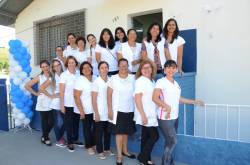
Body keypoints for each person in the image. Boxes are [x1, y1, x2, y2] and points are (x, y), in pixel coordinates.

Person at [152, 60, 204, 165]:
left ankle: (169, 161)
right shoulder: (161, 82)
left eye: (173, 67)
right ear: (164, 69)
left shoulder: (175, 83)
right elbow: (154, 98)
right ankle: (165, 163)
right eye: (168, 67)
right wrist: (167, 106)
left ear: (176, 69)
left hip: (175, 117)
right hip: (165, 117)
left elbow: (178, 99)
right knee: (173, 141)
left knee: (169, 141)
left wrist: (194, 102)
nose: (171, 70)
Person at [107, 58, 136, 165]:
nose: (124, 67)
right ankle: (119, 155)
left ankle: (125, 151)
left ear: (128, 66)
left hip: (129, 110)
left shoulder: (133, 78)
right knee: (119, 133)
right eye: (122, 65)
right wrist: (109, 109)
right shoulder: (113, 79)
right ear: (118, 67)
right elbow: (109, 95)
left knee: (126, 132)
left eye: (125, 65)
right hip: (117, 110)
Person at [134, 60, 159, 165]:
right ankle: (142, 157)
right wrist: (143, 115)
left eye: (148, 67)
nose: (146, 70)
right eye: (144, 68)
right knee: (154, 136)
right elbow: (137, 99)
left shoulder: (152, 81)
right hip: (145, 114)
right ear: (140, 70)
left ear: (152, 69)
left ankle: (145, 159)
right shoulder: (140, 81)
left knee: (146, 136)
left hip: (151, 113)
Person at [25, 60, 54, 146]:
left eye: (46, 66)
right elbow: (27, 86)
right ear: (41, 68)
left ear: (49, 66)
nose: (45, 68)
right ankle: (46, 138)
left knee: (52, 121)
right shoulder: (39, 77)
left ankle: (44, 135)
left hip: (52, 101)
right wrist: (36, 93)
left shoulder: (53, 76)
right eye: (43, 66)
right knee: (44, 121)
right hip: (43, 101)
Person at [39, 59, 66, 147]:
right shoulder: (52, 77)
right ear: (53, 68)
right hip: (56, 102)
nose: (57, 67)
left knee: (65, 122)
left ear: (61, 65)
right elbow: (42, 88)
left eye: (58, 65)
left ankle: (59, 136)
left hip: (66, 101)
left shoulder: (64, 75)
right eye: (55, 66)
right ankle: (59, 139)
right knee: (58, 122)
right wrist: (51, 96)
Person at [59, 56, 83, 152]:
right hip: (68, 104)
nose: (71, 64)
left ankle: (75, 139)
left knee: (76, 123)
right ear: (67, 64)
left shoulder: (79, 74)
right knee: (69, 124)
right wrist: (62, 105)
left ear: (76, 64)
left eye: (73, 62)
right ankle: (70, 142)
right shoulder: (64, 75)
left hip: (77, 104)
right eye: (69, 62)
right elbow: (61, 91)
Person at [92, 61, 114, 160]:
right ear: (99, 70)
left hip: (109, 111)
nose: (104, 69)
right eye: (102, 68)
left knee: (108, 132)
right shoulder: (96, 82)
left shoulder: (111, 80)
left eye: (106, 67)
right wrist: (96, 113)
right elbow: (93, 99)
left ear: (108, 69)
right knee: (99, 132)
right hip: (99, 112)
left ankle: (107, 148)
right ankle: (100, 151)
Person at [74, 61, 96, 155]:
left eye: (88, 67)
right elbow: (76, 96)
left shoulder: (95, 78)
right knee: (87, 128)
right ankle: (89, 146)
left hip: (96, 109)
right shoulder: (80, 80)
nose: (86, 69)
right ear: (81, 71)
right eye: (84, 68)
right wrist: (81, 111)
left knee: (96, 129)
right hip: (86, 110)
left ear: (91, 68)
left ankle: (94, 144)